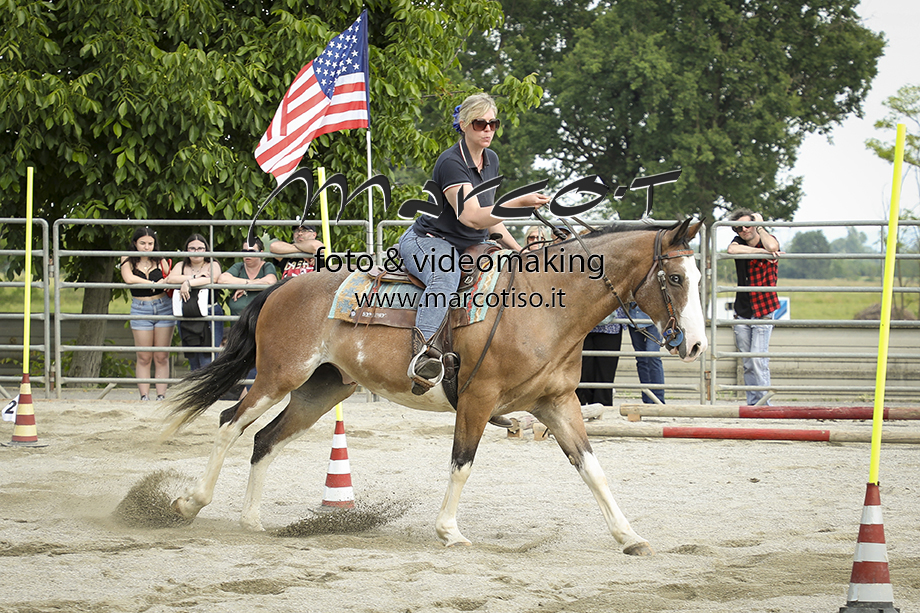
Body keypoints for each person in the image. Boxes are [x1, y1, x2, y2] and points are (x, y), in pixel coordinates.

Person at [397, 92, 550, 392]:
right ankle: (423, 356)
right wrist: (517, 202)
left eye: (493, 123)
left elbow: (490, 219)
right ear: (464, 125)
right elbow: (471, 217)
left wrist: (520, 251)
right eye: (480, 124)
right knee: (445, 275)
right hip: (429, 240)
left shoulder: (490, 159)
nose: (488, 130)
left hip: (469, 245)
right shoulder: (451, 162)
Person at [727, 208, 782, 406]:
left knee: (758, 359)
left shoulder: (768, 240)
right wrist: (761, 253)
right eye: (739, 228)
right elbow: (732, 250)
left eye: (748, 225)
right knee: (748, 361)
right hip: (742, 310)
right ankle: (753, 404)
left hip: (764, 309)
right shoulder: (738, 242)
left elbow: (772, 246)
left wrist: (760, 226)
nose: (744, 230)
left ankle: (764, 404)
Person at [120, 227, 175, 401]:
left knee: (161, 356)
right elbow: (129, 278)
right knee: (144, 356)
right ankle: (144, 396)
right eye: (142, 243)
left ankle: (161, 395)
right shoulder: (127, 259)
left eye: (150, 243)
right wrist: (153, 283)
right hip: (140, 307)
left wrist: (162, 283)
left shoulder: (160, 259)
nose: (146, 247)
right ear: (135, 243)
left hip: (163, 306)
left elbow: (169, 278)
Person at [218, 237, 277, 396]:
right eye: (244, 251)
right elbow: (222, 279)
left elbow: (270, 282)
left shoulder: (267, 266)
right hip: (239, 327)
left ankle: (249, 395)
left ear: (261, 252)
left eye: (252, 251)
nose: (247, 254)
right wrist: (249, 284)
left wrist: (243, 286)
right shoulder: (238, 267)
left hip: (260, 325)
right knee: (238, 360)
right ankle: (243, 395)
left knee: (257, 359)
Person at [167, 234, 223, 371]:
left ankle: (209, 385)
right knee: (193, 357)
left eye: (200, 248)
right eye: (192, 248)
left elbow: (214, 278)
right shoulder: (180, 265)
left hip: (209, 312)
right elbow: (170, 279)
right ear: (186, 250)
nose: (196, 252)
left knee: (208, 358)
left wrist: (188, 283)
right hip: (187, 314)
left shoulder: (212, 264)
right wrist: (195, 277)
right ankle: (197, 384)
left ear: (206, 249)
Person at [577, 308, 622, 407]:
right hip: (583, 326)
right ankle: (581, 406)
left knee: (606, 373)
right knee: (582, 371)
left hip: (611, 327)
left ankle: (604, 407)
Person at [625, 304, 666, 404]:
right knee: (641, 359)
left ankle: (658, 399)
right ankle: (647, 399)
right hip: (633, 319)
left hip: (655, 319)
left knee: (652, 356)